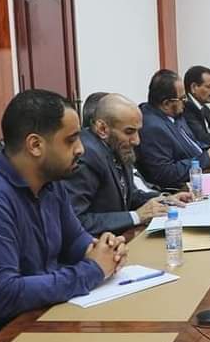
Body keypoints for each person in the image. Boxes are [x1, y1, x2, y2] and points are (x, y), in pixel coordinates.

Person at [0, 90, 127, 333]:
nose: (81, 149)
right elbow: (1, 295)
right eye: (71, 140)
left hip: (40, 315)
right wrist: (92, 270)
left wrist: (104, 250)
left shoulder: (50, 182)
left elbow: (75, 240)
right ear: (35, 145)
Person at [65, 94, 192, 236]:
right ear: (102, 129)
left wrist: (165, 200)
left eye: (138, 131)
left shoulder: (116, 146)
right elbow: (77, 221)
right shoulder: (86, 156)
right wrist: (136, 216)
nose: (136, 141)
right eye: (129, 132)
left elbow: (128, 195)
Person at [136, 69, 210, 189]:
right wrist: (207, 159)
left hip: (203, 176)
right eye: (182, 98)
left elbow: (193, 143)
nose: (186, 102)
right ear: (166, 104)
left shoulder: (175, 114)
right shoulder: (152, 128)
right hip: (181, 190)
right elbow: (165, 173)